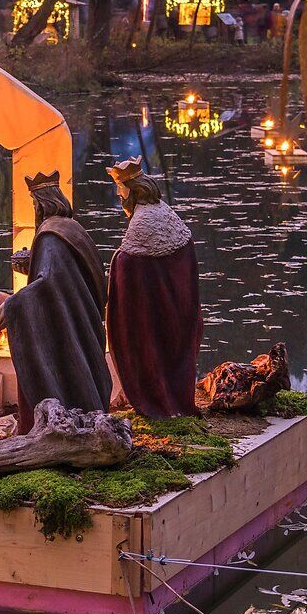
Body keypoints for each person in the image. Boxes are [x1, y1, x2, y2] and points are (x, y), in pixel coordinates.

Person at [0, 172, 111, 432]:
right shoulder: (71, 228)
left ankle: (56, 423)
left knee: (61, 366)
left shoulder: (50, 236)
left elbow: (49, 282)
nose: (34, 209)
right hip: (81, 315)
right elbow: (67, 275)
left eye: (34, 204)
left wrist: (14, 304)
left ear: (41, 204)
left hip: (66, 322)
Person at [106, 159, 201, 419]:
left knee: (150, 346)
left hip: (158, 315)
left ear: (131, 189)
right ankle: (175, 399)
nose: (118, 194)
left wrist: (118, 264)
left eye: (121, 188)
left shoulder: (142, 224)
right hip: (177, 313)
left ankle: (156, 400)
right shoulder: (166, 212)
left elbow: (130, 271)